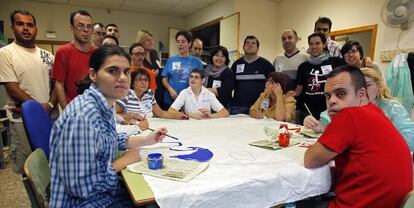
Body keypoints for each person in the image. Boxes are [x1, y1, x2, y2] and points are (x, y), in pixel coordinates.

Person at [49, 45, 168, 207]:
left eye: (126, 71)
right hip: (85, 202)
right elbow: (80, 186)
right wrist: (124, 160)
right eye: (113, 71)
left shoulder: (104, 103)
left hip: (103, 194)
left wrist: (146, 140)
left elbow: (107, 138)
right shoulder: (83, 116)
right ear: (93, 75)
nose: (123, 78)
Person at [304, 65, 412, 208]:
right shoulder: (376, 112)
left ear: (361, 94)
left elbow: (310, 160)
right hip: (395, 203)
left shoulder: (349, 115)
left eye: (341, 93)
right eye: (328, 96)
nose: (332, 101)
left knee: (302, 201)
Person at [0, 9, 56, 174]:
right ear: (12, 27)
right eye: (20, 24)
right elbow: (13, 88)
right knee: (29, 169)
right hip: (21, 121)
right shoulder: (5, 54)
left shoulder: (48, 56)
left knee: (51, 162)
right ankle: (34, 201)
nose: (25, 28)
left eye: (30, 25)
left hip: (50, 116)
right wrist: (39, 109)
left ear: (36, 29)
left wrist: (51, 104)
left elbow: (56, 85)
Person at [304, 67, 414, 150]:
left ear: (379, 86)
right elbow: (328, 122)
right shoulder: (351, 106)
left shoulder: (392, 107)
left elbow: (410, 140)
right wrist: (318, 125)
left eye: (367, 85)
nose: (362, 90)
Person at [294, 32, 345, 124]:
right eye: (311, 44)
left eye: (317, 43)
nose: (314, 47)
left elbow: (352, 67)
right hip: (307, 112)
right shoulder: (303, 66)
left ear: (324, 44)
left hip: (328, 111)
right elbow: (299, 89)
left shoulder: (336, 62)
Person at [53, 10, 96, 109]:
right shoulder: (63, 52)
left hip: (94, 108)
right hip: (73, 108)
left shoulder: (97, 53)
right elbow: (59, 84)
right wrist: (67, 110)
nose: (86, 30)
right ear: (72, 28)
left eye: (89, 26)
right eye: (81, 26)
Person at [116, 68, 188, 121]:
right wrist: (131, 116)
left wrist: (177, 115)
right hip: (132, 127)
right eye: (139, 79)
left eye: (145, 80)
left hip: (151, 125)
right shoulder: (126, 94)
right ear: (133, 83)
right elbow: (115, 115)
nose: (143, 82)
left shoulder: (149, 94)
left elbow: (160, 113)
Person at [230, 35, 275, 115]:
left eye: (253, 43)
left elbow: (272, 86)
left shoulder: (266, 65)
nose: (250, 45)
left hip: (259, 108)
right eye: (247, 43)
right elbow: (230, 86)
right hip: (238, 107)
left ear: (258, 48)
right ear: (243, 47)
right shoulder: (236, 64)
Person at [161, 30, 203, 108]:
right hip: (170, 100)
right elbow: (164, 79)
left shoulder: (196, 61)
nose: (180, 44)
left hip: (190, 101)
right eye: (178, 41)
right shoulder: (171, 60)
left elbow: (202, 80)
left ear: (189, 44)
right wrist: (171, 90)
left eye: (183, 42)